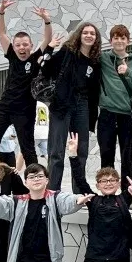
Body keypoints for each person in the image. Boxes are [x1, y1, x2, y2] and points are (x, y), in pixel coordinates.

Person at [0, 0, 52, 169]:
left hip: (25, 111)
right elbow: (1, 33)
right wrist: (1, 12)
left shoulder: (36, 58)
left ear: (31, 46)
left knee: (28, 149)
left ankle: (36, 180)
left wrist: (46, 20)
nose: (22, 48)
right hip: (4, 107)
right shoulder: (12, 57)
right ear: (14, 47)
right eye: (18, 45)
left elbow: (48, 38)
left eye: (25, 45)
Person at [42, 22, 101, 194]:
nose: (89, 35)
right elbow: (46, 70)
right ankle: (52, 191)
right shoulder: (67, 52)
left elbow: (94, 92)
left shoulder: (95, 62)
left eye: (93, 33)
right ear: (79, 35)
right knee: (56, 151)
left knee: (81, 150)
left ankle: (79, 191)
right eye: (86, 32)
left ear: (96, 39)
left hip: (82, 105)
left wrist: (92, 119)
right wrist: (49, 48)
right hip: (62, 104)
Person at [98, 24, 132, 192]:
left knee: (126, 157)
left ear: (128, 41)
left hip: (127, 115)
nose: (119, 41)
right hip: (107, 114)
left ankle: (128, 193)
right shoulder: (103, 58)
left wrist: (128, 72)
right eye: (116, 38)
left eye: (122, 38)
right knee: (106, 155)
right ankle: (107, 191)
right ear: (111, 40)